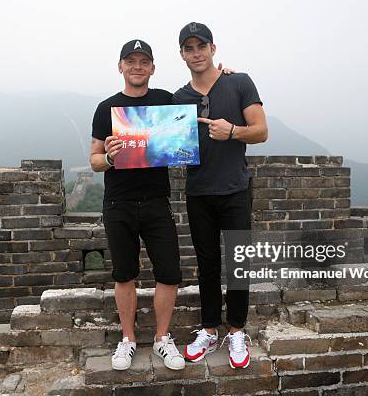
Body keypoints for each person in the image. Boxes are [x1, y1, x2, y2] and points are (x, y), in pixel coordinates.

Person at [173, 22, 268, 369]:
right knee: (207, 265)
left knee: (239, 264)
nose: (196, 53)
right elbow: (161, 139)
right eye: (189, 48)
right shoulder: (179, 99)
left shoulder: (239, 82)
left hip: (235, 189)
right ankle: (209, 328)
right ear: (182, 54)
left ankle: (237, 330)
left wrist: (232, 132)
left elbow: (261, 131)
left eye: (201, 46)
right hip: (199, 192)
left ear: (214, 48)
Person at [89, 39, 185, 371]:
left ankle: (161, 338)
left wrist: (223, 75)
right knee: (124, 274)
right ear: (120, 67)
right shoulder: (106, 108)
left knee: (169, 272)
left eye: (144, 61)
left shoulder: (165, 101)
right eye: (131, 61)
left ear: (153, 68)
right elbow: (94, 161)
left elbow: (196, 103)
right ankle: (128, 339)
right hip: (119, 202)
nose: (137, 66)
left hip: (157, 201)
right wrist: (111, 158)